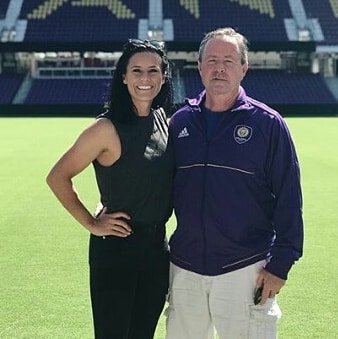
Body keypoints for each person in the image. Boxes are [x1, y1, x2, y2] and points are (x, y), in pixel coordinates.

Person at [165, 27, 304, 339]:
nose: (219, 68)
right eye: (211, 60)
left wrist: (281, 264)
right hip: (185, 267)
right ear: (199, 67)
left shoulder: (268, 124)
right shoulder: (180, 122)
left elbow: (289, 198)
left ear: (244, 68)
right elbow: (156, 184)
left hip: (245, 268)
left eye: (228, 60)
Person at [46, 39, 174, 339]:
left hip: (157, 248)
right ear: (124, 77)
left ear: (164, 77)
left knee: (143, 333)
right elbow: (57, 176)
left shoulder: (162, 120)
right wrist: (91, 223)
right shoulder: (106, 128)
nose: (145, 78)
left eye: (153, 70)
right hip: (118, 248)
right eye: (137, 70)